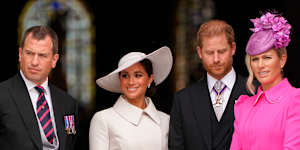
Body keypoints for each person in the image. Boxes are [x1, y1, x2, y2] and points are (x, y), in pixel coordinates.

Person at [168, 20, 254, 150]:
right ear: (199, 52)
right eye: (209, 52)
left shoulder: (256, 92)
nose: (216, 59)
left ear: (233, 48)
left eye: (222, 51)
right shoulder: (183, 100)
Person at [0, 26, 79, 150]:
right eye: (29, 53)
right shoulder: (2, 95)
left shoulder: (68, 103)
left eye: (42, 55)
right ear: (20, 54)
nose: (34, 62)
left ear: (54, 60)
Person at [230, 12, 300, 149]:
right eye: (255, 59)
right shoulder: (243, 106)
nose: (260, 65)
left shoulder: (295, 100)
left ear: (282, 60)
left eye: (267, 57)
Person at [89, 46, 173, 150]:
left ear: (150, 79)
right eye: (125, 76)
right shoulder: (103, 119)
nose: (131, 82)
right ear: (120, 79)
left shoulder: (166, 120)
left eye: (138, 75)